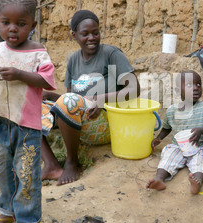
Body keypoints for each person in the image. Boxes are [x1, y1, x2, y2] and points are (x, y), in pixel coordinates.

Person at [0, 0, 56, 223]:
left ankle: (28, 220)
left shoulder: (38, 53)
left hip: (27, 126)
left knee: (26, 172)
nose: (13, 29)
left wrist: (20, 74)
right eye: (6, 22)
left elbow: (46, 81)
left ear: (32, 25)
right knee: (0, 170)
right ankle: (7, 211)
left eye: (21, 24)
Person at [41, 10, 140, 185]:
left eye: (95, 32)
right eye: (85, 34)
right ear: (74, 35)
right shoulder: (73, 60)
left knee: (67, 101)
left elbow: (134, 89)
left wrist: (100, 100)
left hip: (105, 122)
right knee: (29, 105)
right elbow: (72, 99)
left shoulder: (111, 54)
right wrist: (49, 95)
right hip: (80, 121)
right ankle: (51, 165)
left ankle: (73, 162)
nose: (91, 38)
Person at [147, 70, 203, 194]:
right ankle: (159, 179)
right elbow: (167, 128)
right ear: (178, 91)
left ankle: (197, 182)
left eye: (199, 84)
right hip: (177, 146)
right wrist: (159, 138)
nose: (196, 88)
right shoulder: (172, 110)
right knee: (168, 158)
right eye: (190, 85)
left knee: (201, 163)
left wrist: (201, 131)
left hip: (198, 146)